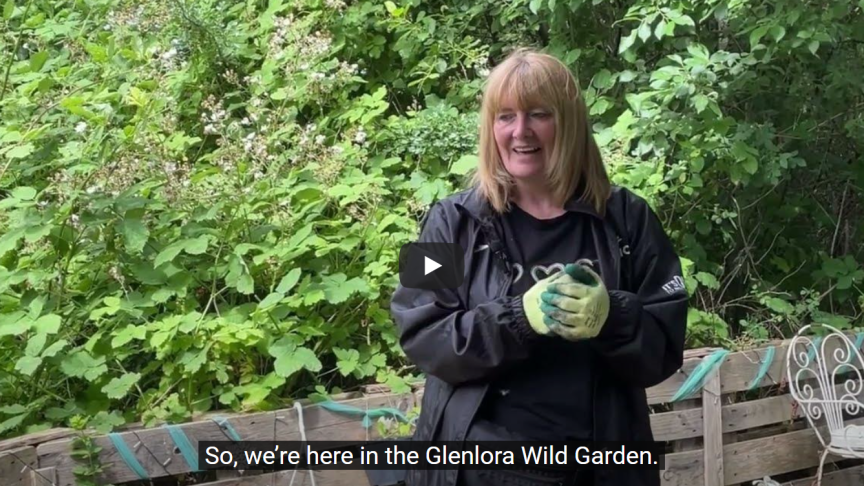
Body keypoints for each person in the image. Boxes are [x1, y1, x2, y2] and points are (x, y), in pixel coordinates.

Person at [390, 47, 688, 486]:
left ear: (569, 123)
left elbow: (664, 347)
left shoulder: (629, 218)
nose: (520, 131)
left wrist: (614, 317)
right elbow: (418, 331)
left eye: (539, 115)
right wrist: (516, 320)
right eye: (505, 116)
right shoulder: (449, 220)